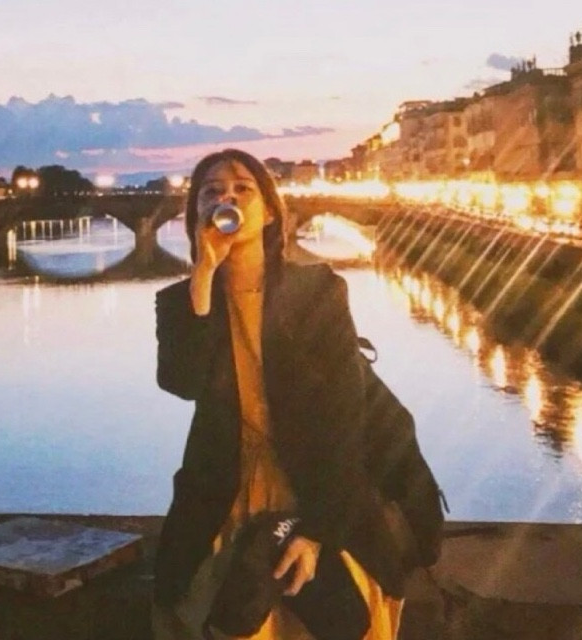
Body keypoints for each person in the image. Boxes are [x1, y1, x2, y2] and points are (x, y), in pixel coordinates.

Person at [152, 149, 408, 639]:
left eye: (242, 189)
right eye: (211, 191)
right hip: (222, 492)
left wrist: (315, 532)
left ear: (269, 211)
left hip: (312, 486)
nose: (226, 199)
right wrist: (203, 275)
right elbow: (181, 382)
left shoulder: (318, 291)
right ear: (196, 213)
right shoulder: (180, 301)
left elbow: (344, 417)